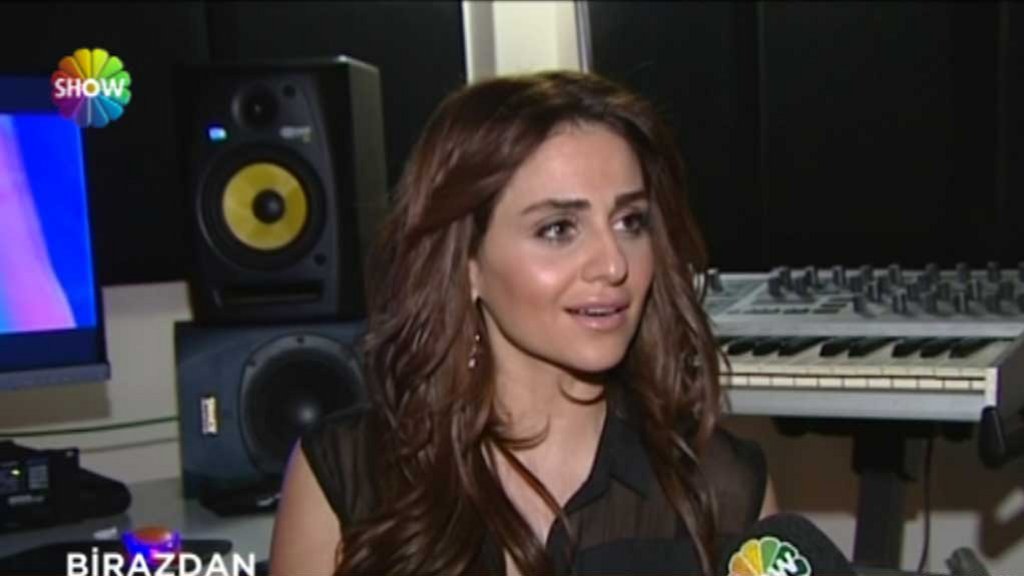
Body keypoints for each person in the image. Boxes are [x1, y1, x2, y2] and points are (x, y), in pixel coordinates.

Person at [269, 70, 777, 576]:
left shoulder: (722, 487)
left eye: (630, 222)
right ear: (467, 263)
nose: (613, 264)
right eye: (558, 229)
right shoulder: (349, 474)